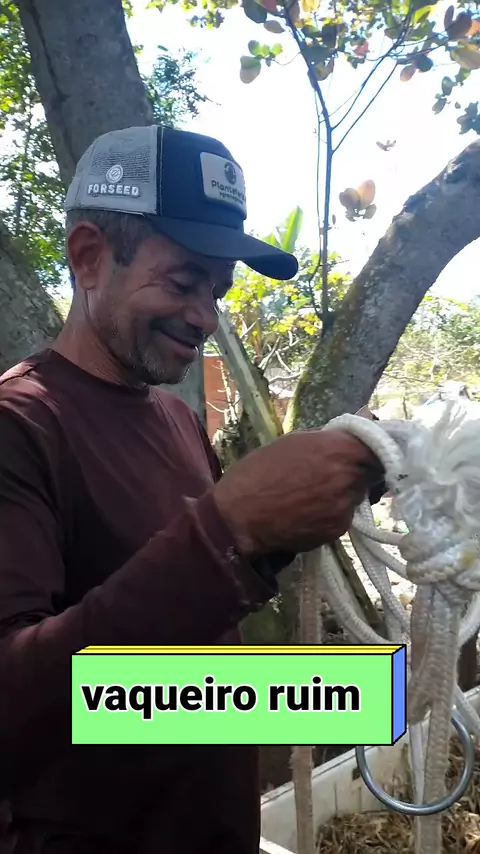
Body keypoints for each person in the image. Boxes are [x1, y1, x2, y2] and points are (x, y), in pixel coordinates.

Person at [0, 125, 384, 854]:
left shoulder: (176, 418)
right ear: (89, 256)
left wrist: (312, 503)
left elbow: (179, 660)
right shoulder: (20, 426)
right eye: (182, 282)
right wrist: (228, 528)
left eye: (217, 290)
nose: (206, 315)